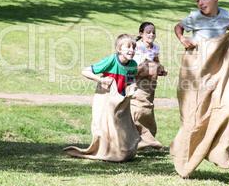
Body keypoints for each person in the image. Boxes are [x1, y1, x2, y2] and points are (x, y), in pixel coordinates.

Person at [170, 0, 229, 178]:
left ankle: (219, 149)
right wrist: (182, 38)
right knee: (194, 116)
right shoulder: (195, 17)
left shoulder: (226, 15)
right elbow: (178, 27)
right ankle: (183, 157)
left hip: (220, 70)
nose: (200, 3)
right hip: (196, 70)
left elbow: (227, 26)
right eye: (197, 0)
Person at [63, 34, 140, 162]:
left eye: (133, 47)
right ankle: (106, 151)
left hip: (120, 102)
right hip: (106, 99)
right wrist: (101, 80)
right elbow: (86, 71)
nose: (131, 50)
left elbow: (130, 80)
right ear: (119, 49)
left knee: (121, 127)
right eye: (128, 47)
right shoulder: (110, 61)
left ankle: (120, 150)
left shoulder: (133, 65)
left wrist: (133, 85)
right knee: (104, 126)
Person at [131, 22, 167, 151]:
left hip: (150, 83)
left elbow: (156, 62)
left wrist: (161, 70)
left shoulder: (155, 48)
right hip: (137, 81)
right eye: (148, 32)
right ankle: (137, 139)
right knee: (138, 110)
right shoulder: (136, 46)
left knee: (148, 108)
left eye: (153, 32)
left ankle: (147, 138)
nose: (151, 34)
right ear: (141, 34)